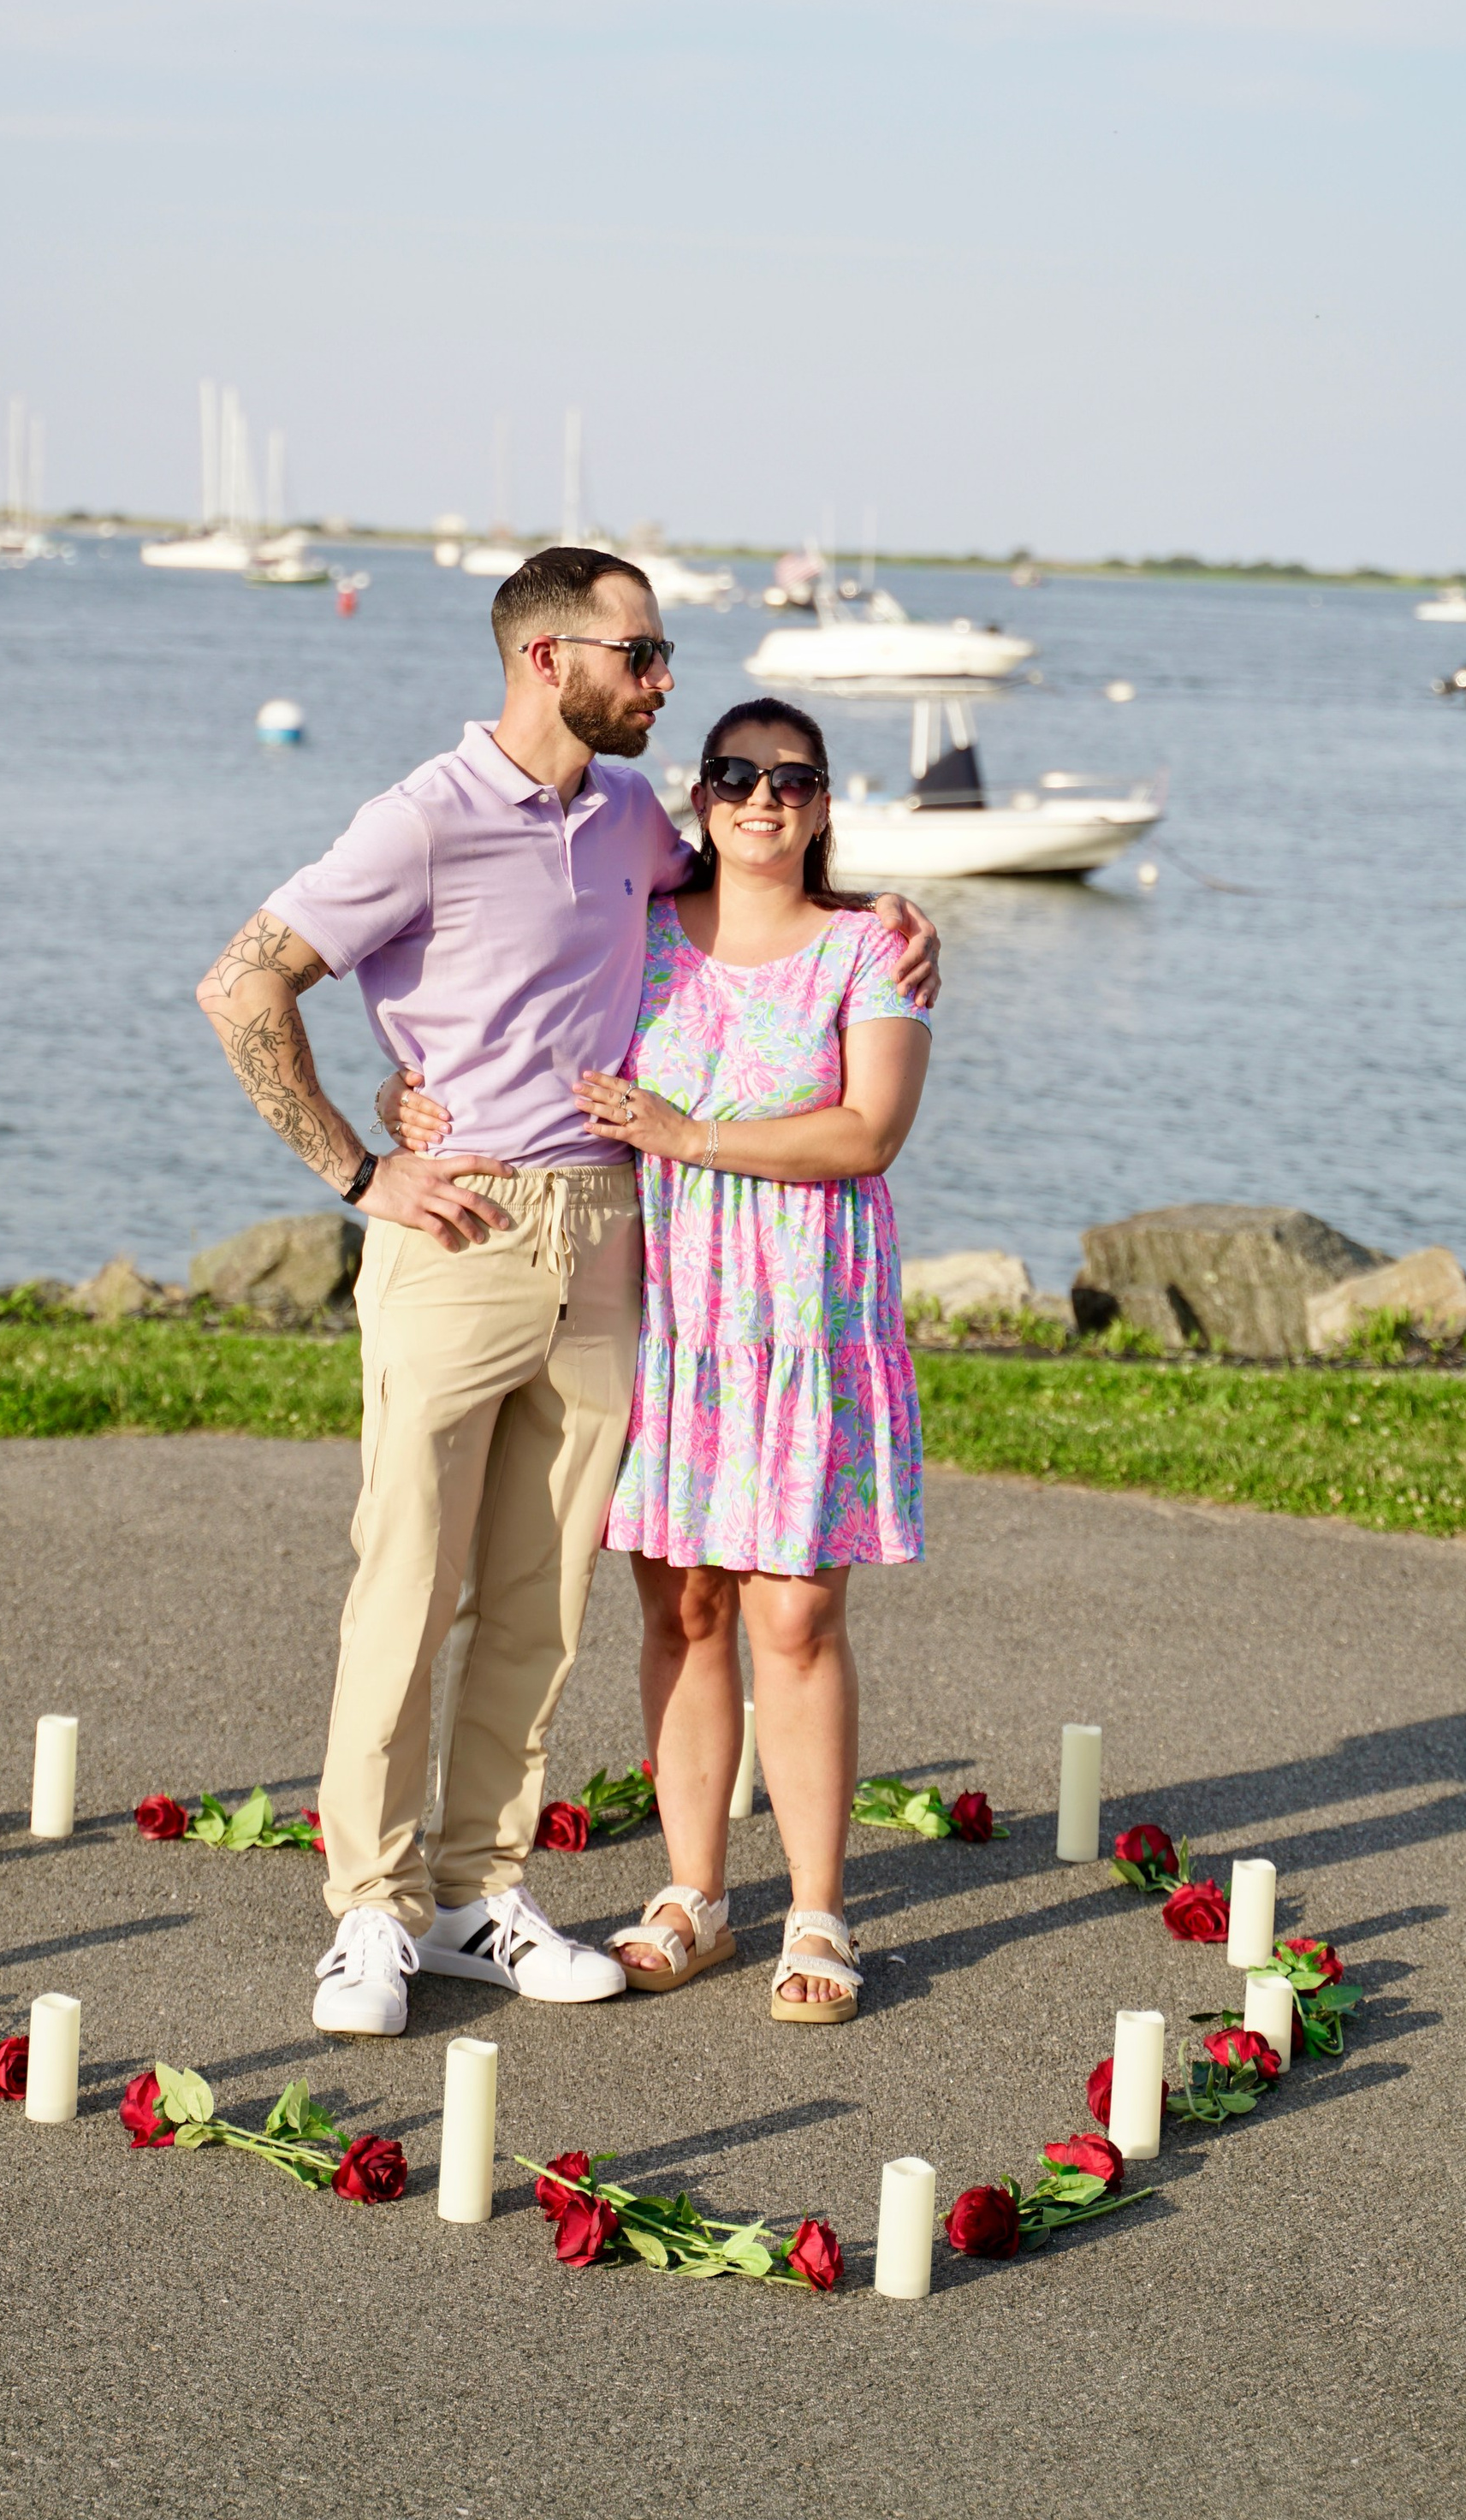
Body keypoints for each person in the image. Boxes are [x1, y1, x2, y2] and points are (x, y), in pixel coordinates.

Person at [194, 548, 937, 2040]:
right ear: (551, 657)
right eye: (645, 656)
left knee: (542, 1593)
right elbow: (243, 985)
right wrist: (361, 1164)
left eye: (665, 659)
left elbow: (758, 916)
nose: (665, 680)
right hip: (458, 1225)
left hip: (609, 1237)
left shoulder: (632, 823)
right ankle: (373, 1911)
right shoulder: (424, 813)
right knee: (408, 1577)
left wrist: (899, 912)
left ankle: (481, 1890)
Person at [578, 697, 930, 2022]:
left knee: (796, 1611)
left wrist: (685, 1131)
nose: (762, 796)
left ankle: (820, 1911)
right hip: (675, 1316)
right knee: (683, 1607)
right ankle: (693, 1894)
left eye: (793, 778)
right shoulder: (642, 932)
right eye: (735, 773)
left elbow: (867, 1133)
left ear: (826, 803)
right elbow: (508, 979)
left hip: (805, 1322)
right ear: (702, 794)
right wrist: (402, 1092)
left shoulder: (870, 949)